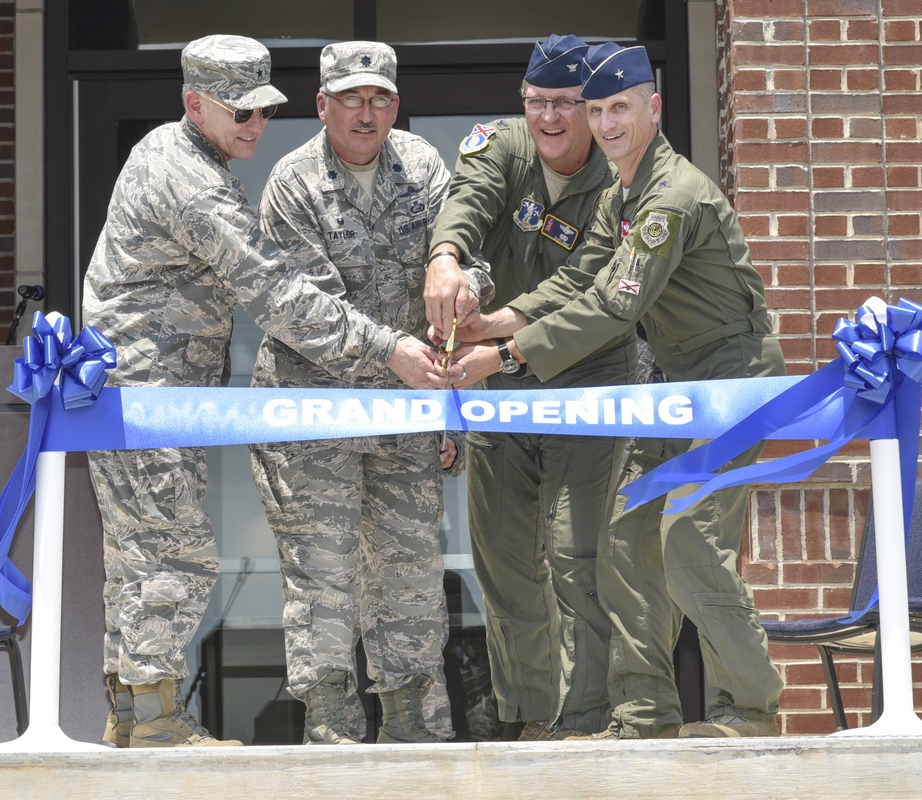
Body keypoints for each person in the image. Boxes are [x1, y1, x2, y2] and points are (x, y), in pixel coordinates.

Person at [83, 34, 451, 749]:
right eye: (241, 113)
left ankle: (136, 716)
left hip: (159, 394)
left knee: (143, 555)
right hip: (148, 393)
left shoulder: (190, 157)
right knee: (171, 553)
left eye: (263, 111)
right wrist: (390, 348)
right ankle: (154, 725)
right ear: (195, 103)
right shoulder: (190, 179)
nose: (256, 126)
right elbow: (278, 294)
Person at [448, 43, 785, 739]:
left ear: (653, 108)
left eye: (619, 108)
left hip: (727, 383)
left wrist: (504, 357)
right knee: (626, 540)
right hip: (666, 383)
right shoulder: (619, 191)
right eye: (595, 110)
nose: (604, 124)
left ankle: (748, 708)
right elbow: (582, 279)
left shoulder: (670, 199)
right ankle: (643, 712)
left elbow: (613, 308)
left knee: (690, 539)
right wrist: (499, 320)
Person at [248, 41, 491, 746]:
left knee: (411, 573)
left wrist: (468, 286)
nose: (366, 111)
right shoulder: (291, 184)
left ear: (395, 103)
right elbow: (304, 310)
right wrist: (393, 350)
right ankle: (330, 734)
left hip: (407, 414)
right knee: (323, 581)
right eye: (350, 97)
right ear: (322, 105)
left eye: (379, 97)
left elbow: (466, 254)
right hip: (313, 414)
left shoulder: (422, 167)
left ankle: (414, 731)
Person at [424, 34, 655, 741]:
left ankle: (584, 717)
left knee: (575, 552)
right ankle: (532, 715)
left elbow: (587, 286)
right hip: (498, 385)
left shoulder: (627, 179)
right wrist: (445, 259)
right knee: (503, 555)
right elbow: (469, 198)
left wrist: (496, 326)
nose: (550, 117)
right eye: (537, 101)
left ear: (593, 108)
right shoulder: (504, 145)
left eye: (565, 103)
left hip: (583, 376)